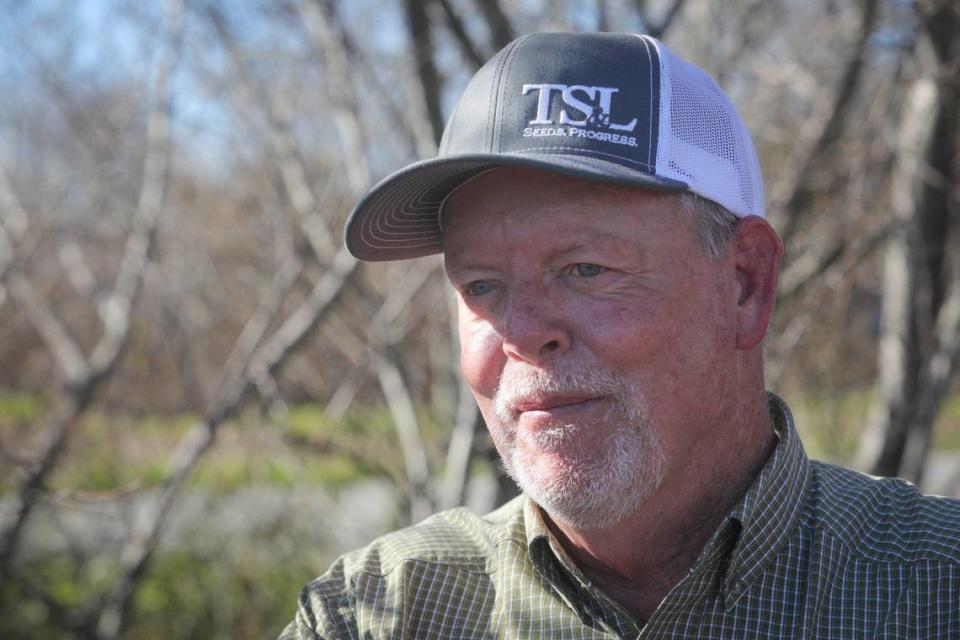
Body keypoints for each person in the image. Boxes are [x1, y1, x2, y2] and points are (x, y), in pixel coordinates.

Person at [280, 32, 960, 639]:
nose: (523, 334)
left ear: (745, 284)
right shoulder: (377, 614)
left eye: (584, 269)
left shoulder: (936, 591)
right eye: (481, 285)